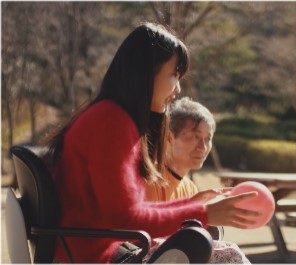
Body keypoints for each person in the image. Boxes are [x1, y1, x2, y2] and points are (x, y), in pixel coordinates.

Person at [45, 22, 259, 263]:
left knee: (220, 249)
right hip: (100, 258)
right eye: (174, 75)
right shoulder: (111, 123)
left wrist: (191, 204)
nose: (177, 89)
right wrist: (204, 213)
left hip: (102, 252)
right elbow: (126, 218)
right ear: (146, 73)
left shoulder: (110, 116)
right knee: (227, 255)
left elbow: (129, 212)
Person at [145, 96, 251, 263]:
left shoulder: (190, 187)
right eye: (195, 137)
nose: (203, 146)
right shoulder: (149, 179)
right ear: (169, 137)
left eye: (208, 139)